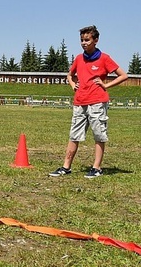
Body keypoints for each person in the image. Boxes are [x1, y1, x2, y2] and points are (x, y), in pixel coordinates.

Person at [49, 25, 128, 178]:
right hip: (80, 102)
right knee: (74, 135)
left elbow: (123, 75)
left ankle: (96, 168)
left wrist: (106, 85)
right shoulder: (79, 58)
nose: (84, 43)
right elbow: (69, 75)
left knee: (99, 135)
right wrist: (73, 85)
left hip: (97, 102)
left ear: (96, 40)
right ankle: (66, 167)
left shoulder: (104, 58)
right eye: (81, 40)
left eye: (87, 40)